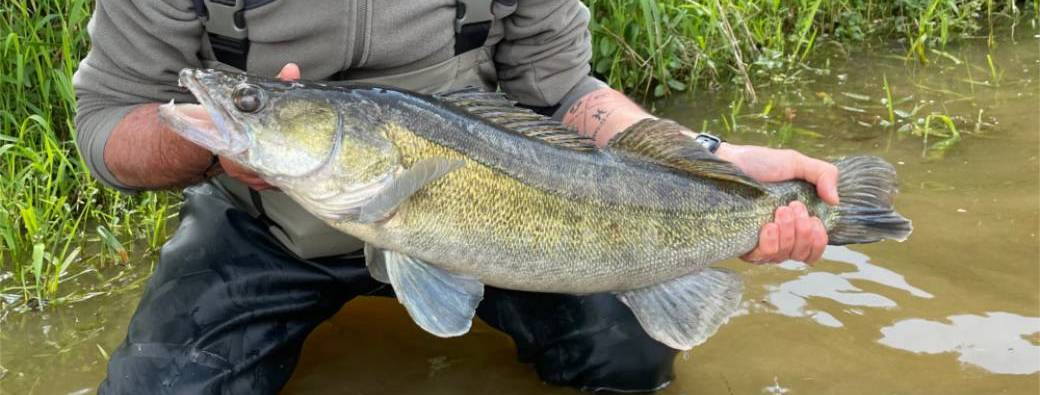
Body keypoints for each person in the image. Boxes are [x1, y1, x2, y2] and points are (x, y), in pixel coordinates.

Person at [73, 0, 838, 393]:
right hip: (265, 226)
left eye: (252, 107)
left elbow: (563, 89)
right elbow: (107, 121)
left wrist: (714, 162)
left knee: (630, 357)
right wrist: (218, 143)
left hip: (496, 204)